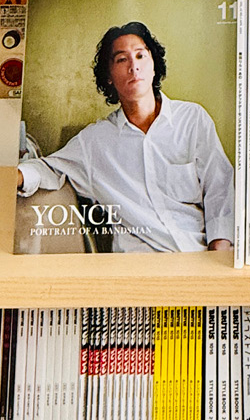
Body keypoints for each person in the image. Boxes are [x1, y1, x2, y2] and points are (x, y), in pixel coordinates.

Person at [16, 23, 234, 253]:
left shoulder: (192, 119)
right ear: (109, 77)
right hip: (139, 267)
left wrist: (218, 251)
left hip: (201, 255)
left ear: (153, 66)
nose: (133, 66)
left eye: (140, 56)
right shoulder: (95, 141)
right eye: (122, 59)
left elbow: (219, 187)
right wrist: (14, 176)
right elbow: (50, 169)